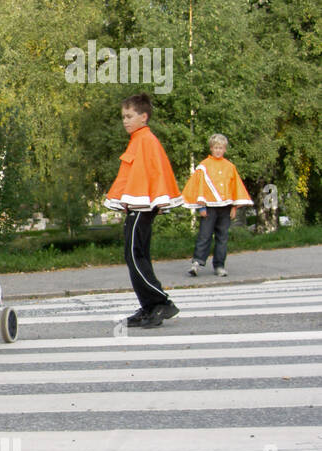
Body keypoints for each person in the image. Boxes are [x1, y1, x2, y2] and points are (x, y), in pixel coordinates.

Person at [103, 94, 181, 328]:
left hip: (141, 209)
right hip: (138, 207)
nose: (125, 121)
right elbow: (134, 175)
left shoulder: (146, 140)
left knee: (135, 257)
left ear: (143, 116)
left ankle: (160, 302)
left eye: (129, 116)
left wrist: (156, 201)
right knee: (137, 257)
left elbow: (156, 171)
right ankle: (149, 305)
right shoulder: (139, 139)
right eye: (123, 117)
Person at [182, 133, 252, 277]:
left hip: (225, 208)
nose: (218, 150)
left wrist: (234, 207)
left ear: (225, 149)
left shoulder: (230, 167)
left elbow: (235, 187)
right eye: (216, 148)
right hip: (209, 207)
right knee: (204, 235)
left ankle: (219, 265)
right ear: (211, 148)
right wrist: (201, 207)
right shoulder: (204, 166)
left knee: (222, 237)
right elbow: (199, 186)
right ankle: (197, 263)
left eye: (221, 148)